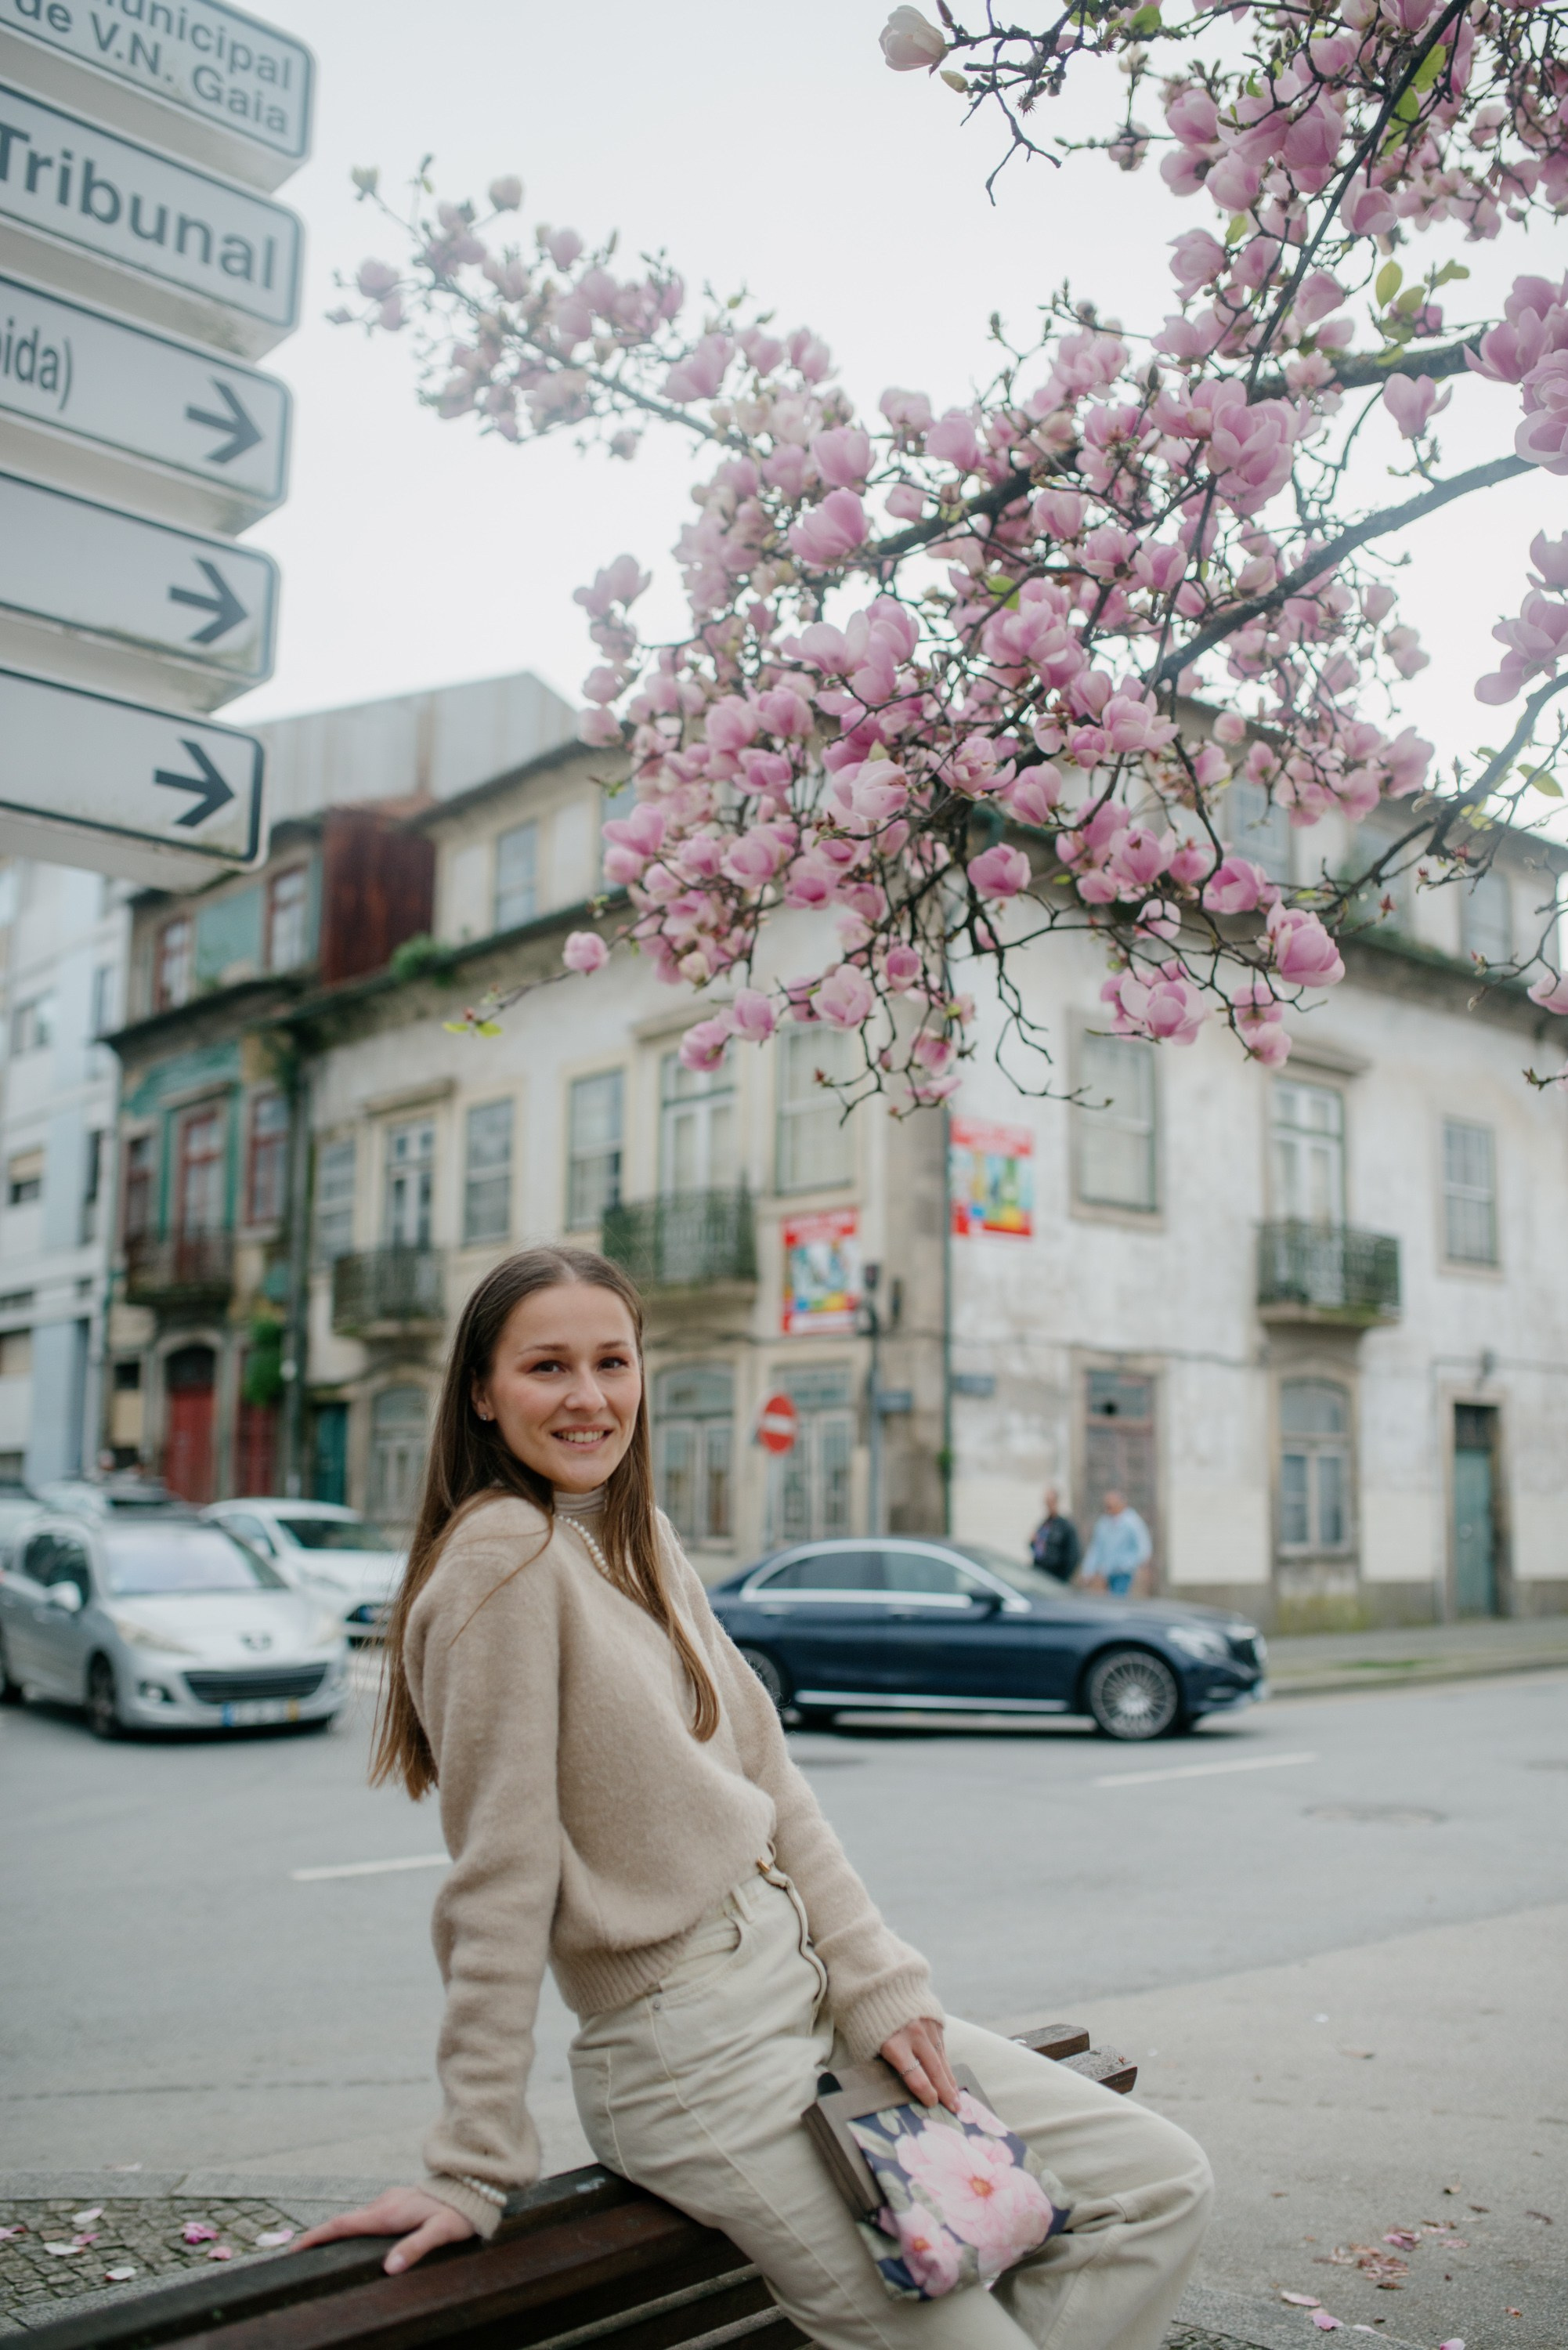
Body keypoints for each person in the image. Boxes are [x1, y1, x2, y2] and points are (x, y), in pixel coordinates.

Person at [298, 1247, 1210, 2348]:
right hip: (691, 2057)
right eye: (548, 1367)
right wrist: (472, 2165)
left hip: (810, 1999)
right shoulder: (500, 1566)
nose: (589, 1397)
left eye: (612, 1362)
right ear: (483, 1394)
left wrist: (877, 1979)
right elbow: (498, 1882)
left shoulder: (635, 1538)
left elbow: (771, 1779)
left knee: (1160, 2181)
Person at [1078, 1490, 1154, 1598]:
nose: (1108, 1508)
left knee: (1118, 1600)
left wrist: (1130, 1564)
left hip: (1124, 1572)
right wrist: (1088, 1571)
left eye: (1111, 1505)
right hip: (1105, 1572)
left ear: (1121, 1504)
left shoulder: (1132, 1522)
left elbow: (1144, 1547)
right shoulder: (1103, 1523)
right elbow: (1096, 1548)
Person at [1029, 1486, 1080, 1585]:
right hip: (1040, 1573)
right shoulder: (1044, 1525)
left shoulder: (1065, 1526)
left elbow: (1073, 1555)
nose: (1048, 1505)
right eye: (1046, 1502)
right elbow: (1036, 1549)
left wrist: (1063, 1577)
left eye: (1051, 1501)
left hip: (1055, 1575)